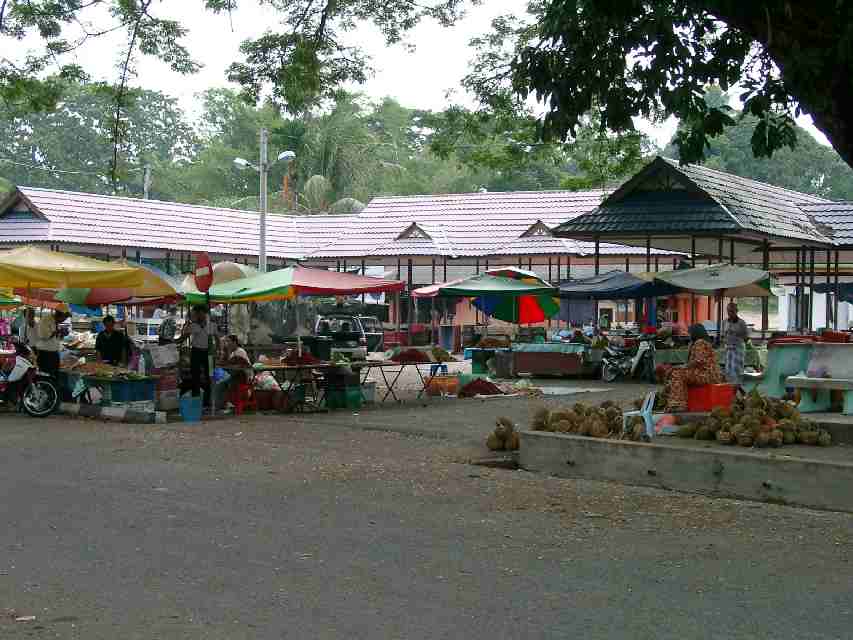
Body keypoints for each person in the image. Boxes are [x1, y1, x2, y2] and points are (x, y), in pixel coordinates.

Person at [665, 323, 723, 412]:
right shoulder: (701, 343)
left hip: (707, 375)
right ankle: (675, 402)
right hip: (706, 374)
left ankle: (678, 404)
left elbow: (698, 361)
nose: (689, 335)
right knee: (676, 373)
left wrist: (682, 367)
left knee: (677, 373)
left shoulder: (700, 343)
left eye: (690, 332)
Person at [180, 305, 218, 407]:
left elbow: (217, 339)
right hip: (196, 352)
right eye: (195, 314)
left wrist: (216, 351)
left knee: (208, 376)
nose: (196, 315)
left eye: (197, 313)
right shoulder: (193, 326)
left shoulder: (212, 325)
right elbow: (183, 338)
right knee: (195, 376)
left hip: (208, 353)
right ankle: (196, 399)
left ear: (204, 313)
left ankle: (207, 401)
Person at [724, 301, 749, 384]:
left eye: (732, 311)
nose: (730, 313)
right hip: (728, 347)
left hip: (738, 348)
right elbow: (723, 335)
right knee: (728, 369)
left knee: (737, 369)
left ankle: (738, 386)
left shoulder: (741, 323)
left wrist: (737, 334)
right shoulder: (725, 322)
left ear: (736, 311)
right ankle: (729, 386)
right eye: (728, 311)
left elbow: (746, 337)